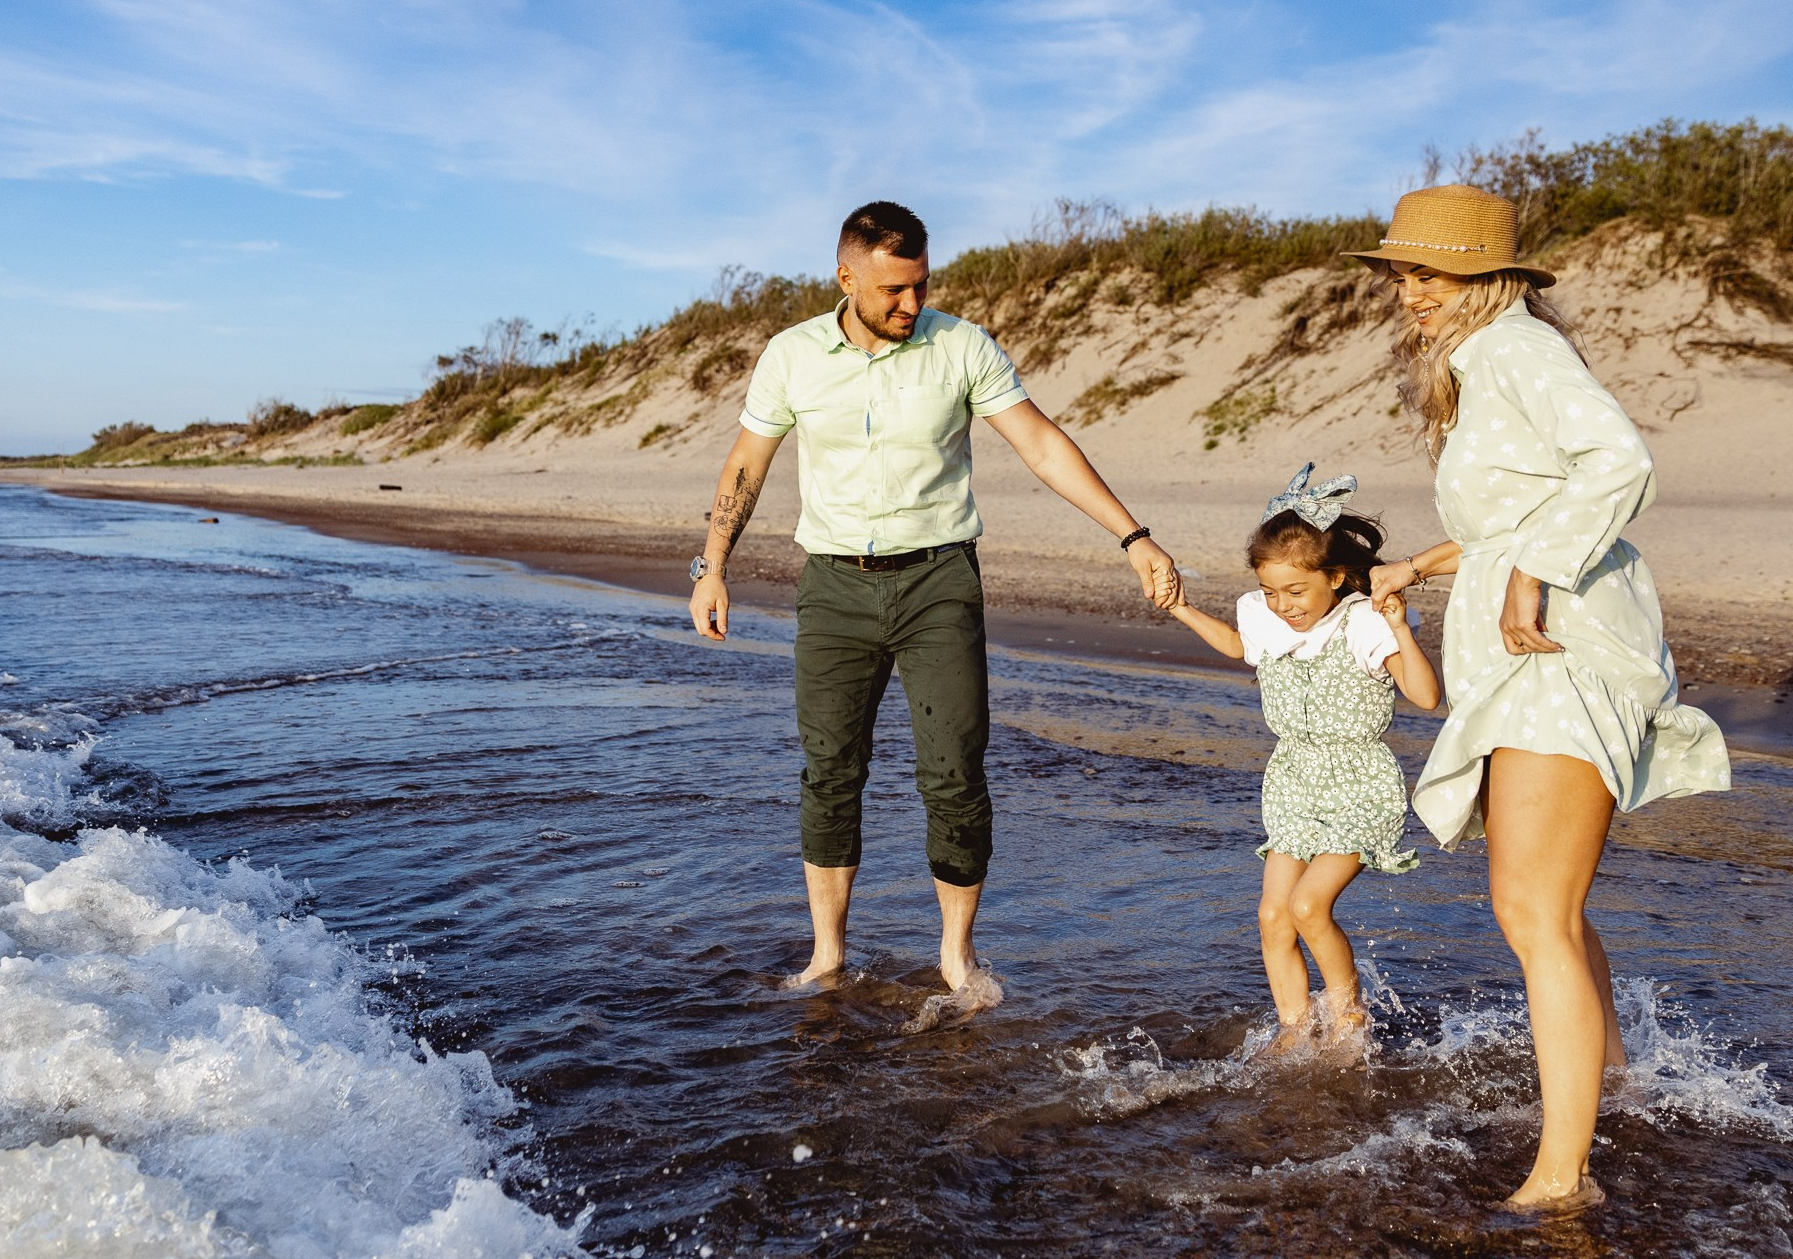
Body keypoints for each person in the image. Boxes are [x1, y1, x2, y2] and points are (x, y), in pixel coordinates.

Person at [689, 200, 1183, 996]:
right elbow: (746, 463)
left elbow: (1042, 444)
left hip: (939, 584)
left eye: (919, 285)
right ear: (845, 277)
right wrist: (712, 565)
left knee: (954, 771)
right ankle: (827, 955)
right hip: (833, 587)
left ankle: (956, 955)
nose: (911, 305)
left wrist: (1134, 537)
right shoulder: (790, 356)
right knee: (829, 769)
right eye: (892, 290)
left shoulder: (961, 345)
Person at [1354, 183, 1730, 1213]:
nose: (1407, 295)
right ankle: (1615, 1086)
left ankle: (1563, 1179)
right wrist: (1425, 566)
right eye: (1401, 276)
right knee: (1544, 908)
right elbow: (1516, 516)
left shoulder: (1520, 348)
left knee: (1533, 908)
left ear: (1483, 278)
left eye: (1423, 276)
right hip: (1527, 650)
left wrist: (1536, 566)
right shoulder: (1485, 363)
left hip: (1563, 647)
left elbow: (1621, 461)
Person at [1164, 463, 1440, 1054]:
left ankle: (1349, 1021)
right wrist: (1183, 609)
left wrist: (1400, 629)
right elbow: (1241, 647)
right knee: (1272, 917)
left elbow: (1426, 695)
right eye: (1270, 592)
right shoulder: (1263, 617)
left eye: (1296, 592)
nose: (1283, 606)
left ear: (1337, 577)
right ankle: (1295, 1027)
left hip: (1358, 783)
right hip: (1293, 781)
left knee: (1310, 904)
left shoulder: (1364, 622)